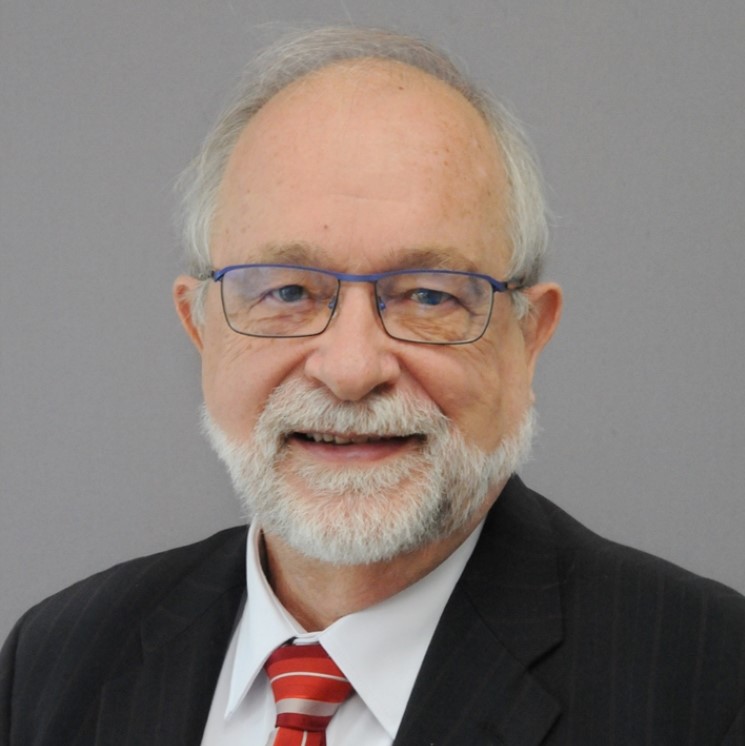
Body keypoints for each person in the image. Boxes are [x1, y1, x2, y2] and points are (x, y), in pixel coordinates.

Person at [1, 26, 744, 746]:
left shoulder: (709, 687)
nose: (351, 370)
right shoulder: (56, 662)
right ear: (201, 328)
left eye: (428, 295)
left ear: (527, 339)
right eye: (287, 292)